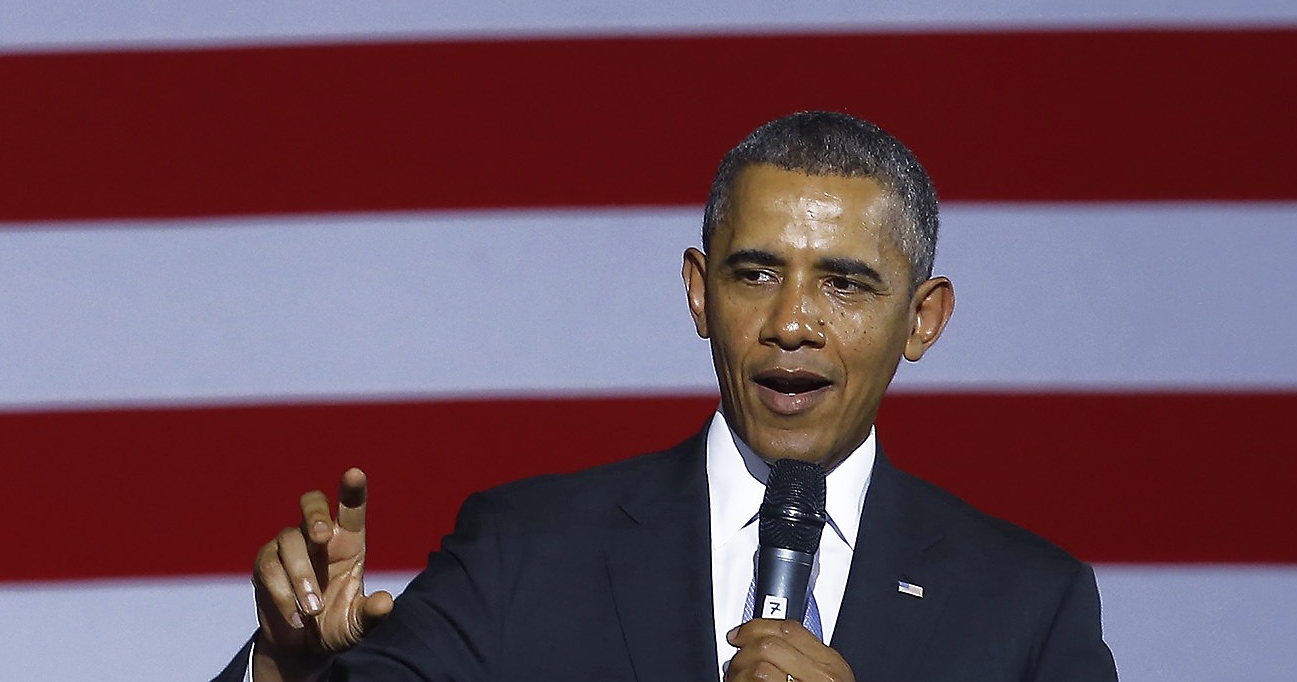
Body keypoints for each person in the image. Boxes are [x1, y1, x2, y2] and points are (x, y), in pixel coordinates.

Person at [216, 110, 1113, 680]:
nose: (792, 322)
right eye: (756, 273)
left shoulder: (1026, 608)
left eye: (844, 285)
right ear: (698, 292)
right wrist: (286, 675)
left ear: (924, 320)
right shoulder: (523, 555)